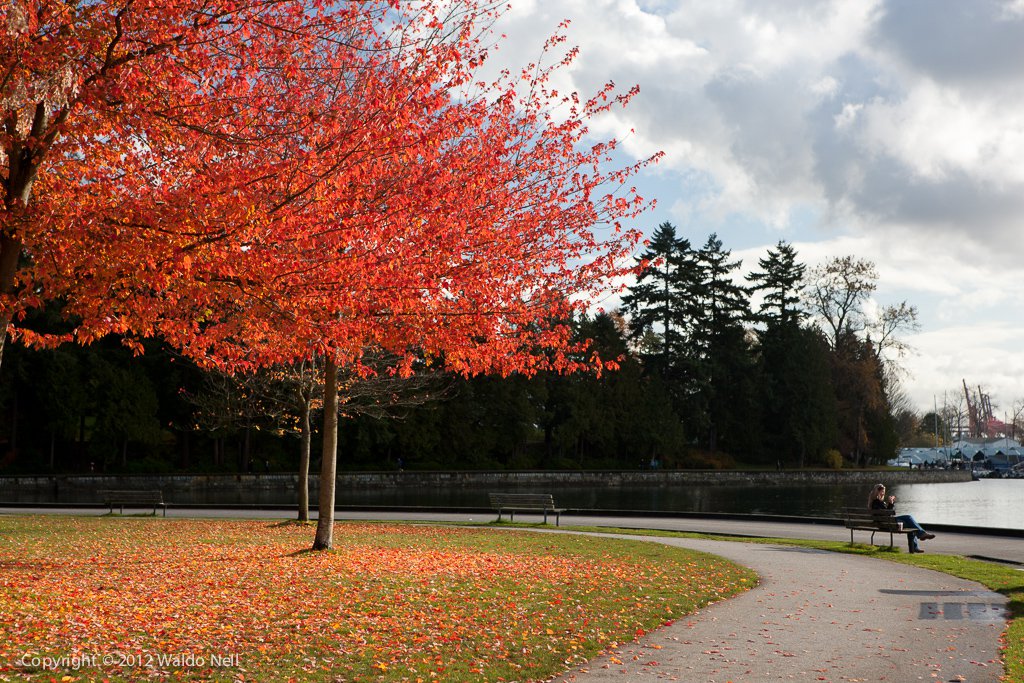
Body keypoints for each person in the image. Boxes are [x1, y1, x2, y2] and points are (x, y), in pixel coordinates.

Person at [868, 483, 936, 553]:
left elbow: (886, 514)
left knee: (909, 519)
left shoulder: (875, 502)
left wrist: (890, 504)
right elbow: (887, 515)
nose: (883, 494)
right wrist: (891, 503)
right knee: (909, 520)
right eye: (882, 492)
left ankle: (919, 538)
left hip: (884, 523)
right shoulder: (877, 502)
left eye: (884, 492)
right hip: (886, 524)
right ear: (877, 492)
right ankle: (919, 539)